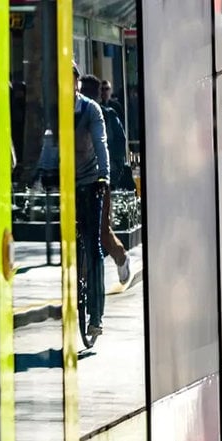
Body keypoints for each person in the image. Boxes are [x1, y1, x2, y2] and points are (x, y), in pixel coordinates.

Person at [79, 75, 132, 285]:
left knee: (101, 230)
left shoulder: (107, 115)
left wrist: (110, 175)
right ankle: (84, 280)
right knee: (81, 230)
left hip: (100, 180)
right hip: (78, 180)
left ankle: (121, 257)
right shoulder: (75, 115)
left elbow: (116, 147)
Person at [73, 66, 109, 337]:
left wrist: (104, 176)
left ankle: (95, 315)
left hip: (88, 182)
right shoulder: (56, 110)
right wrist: (42, 172)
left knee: (92, 244)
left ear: (77, 82)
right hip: (66, 185)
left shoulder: (91, 110)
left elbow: (101, 142)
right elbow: (50, 143)